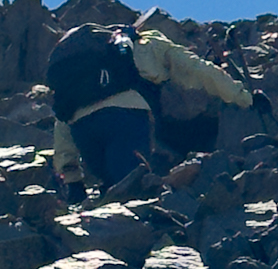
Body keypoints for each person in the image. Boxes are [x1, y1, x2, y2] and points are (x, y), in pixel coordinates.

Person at [47, 21, 266, 195]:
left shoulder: (83, 68)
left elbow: (62, 115)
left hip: (83, 133)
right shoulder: (147, 41)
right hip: (126, 121)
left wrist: (72, 177)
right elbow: (198, 69)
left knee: (113, 189)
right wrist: (245, 97)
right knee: (132, 192)